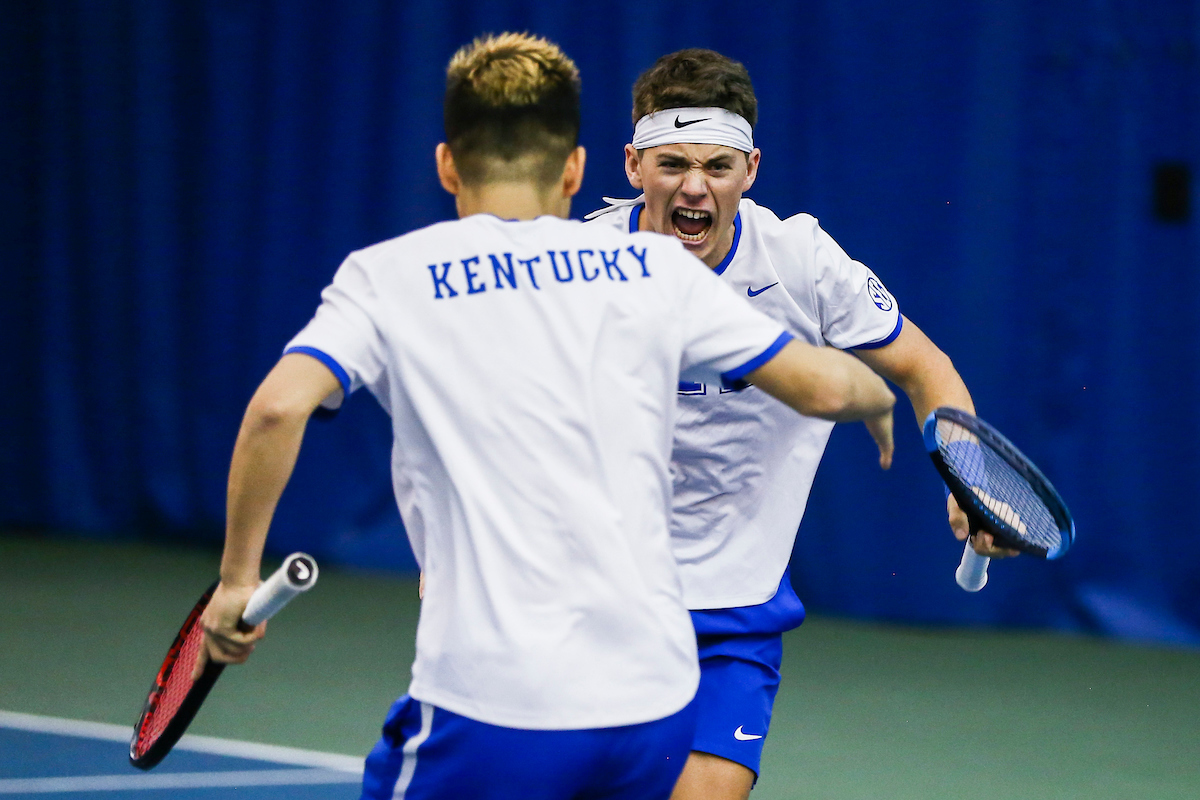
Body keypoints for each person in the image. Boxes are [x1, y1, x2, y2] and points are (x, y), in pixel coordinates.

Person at [194, 34, 897, 800]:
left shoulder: (386, 277)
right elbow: (829, 388)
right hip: (650, 709)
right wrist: (881, 400)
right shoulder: (652, 269)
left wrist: (234, 582)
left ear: (445, 165)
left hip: (491, 704)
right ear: (576, 169)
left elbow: (275, 410)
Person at [585, 49, 1017, 800]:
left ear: (750, 170)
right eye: (673, 164)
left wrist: (969, 479)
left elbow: (924, 367)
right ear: (632, 164)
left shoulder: (804, 263)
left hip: (735, 607)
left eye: (717, 166)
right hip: (596, 595)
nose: (694, 186)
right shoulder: (578, 265)